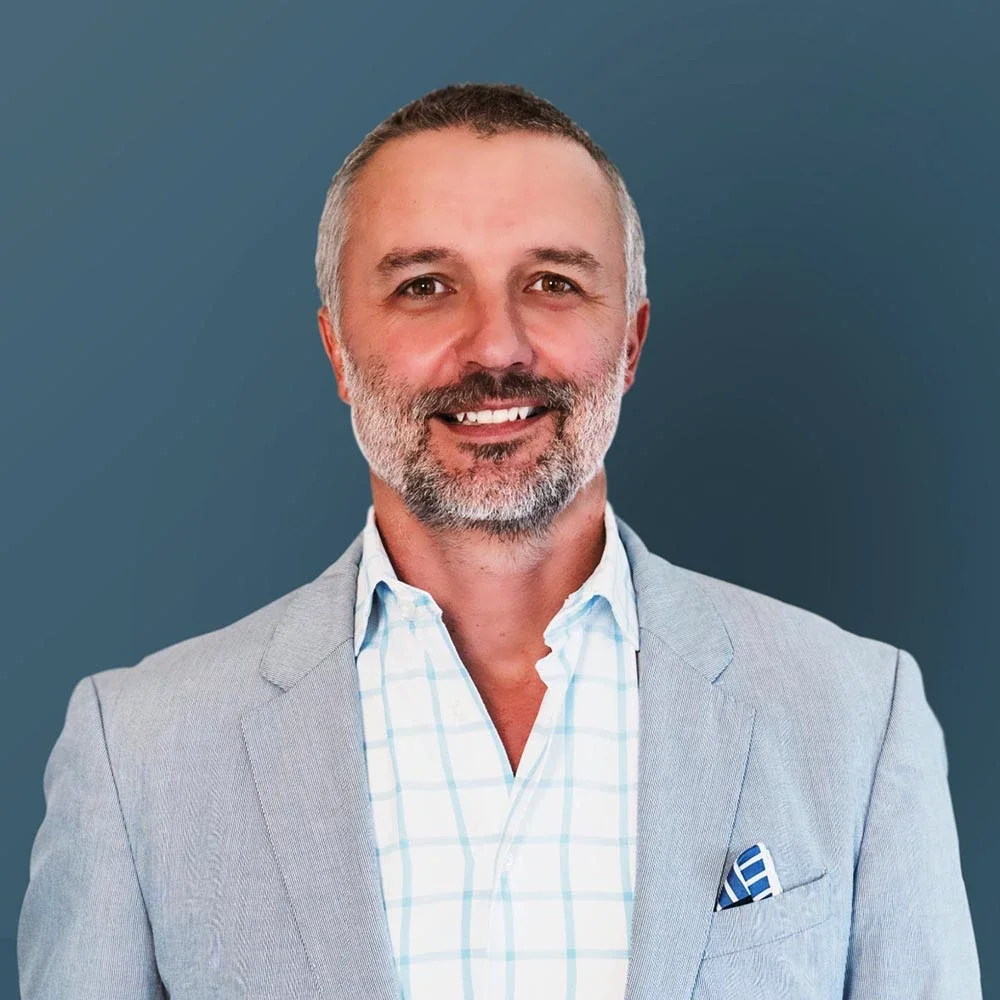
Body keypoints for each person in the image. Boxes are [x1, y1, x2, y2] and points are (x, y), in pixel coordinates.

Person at [18, 82, 981, 1000]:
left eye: (554, 282)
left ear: (633, 342)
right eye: (426, 284)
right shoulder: (137, 753)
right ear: (336, 351)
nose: (496, 347)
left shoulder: (857, 719)